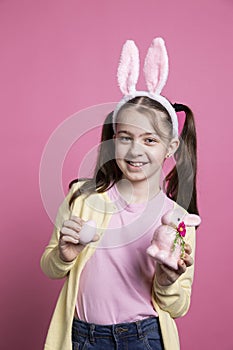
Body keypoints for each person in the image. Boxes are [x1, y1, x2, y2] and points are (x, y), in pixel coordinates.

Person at [41, 38, 200, 350]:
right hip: (82, 337)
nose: (135, 150)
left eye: (150, 140)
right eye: (125, 137)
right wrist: (63, 256)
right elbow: (49, 266)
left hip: (146, 337)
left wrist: (166, 282)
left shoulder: (178, 219)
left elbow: (178, 307)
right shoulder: (82, 199)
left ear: (171, 148)